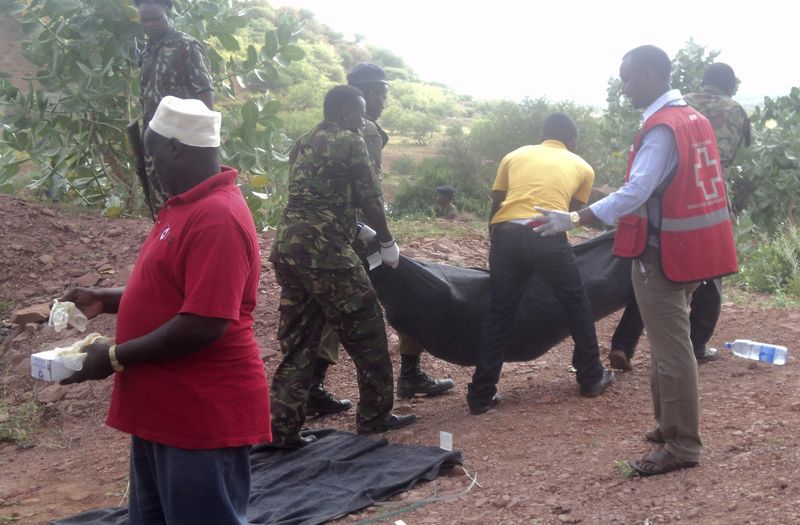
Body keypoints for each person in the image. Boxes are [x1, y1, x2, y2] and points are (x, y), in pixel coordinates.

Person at [60, 96, 270, 523]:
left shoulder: (217, 217)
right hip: (164, 407)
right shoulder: (185, 206)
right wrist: (108, 300)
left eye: (154, 155)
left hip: (200, 415)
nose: (152, 167)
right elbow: (174, 288)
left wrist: (115, 357)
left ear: (176, 148)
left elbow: (205, 323)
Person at [534, 45, 738, 476]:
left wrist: (574, 217)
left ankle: (682, 444)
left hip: (663, 254)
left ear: (649, 75)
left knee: (671, 349)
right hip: (695, 250)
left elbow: (636, 192)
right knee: (671, 342)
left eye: (628, 78)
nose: (624, 87)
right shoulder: (692, 119)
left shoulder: (663, 128)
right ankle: (668, 426)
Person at [269, 85, 417, 446]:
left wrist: (355, 228)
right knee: (367, 330)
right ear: (348, 113)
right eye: (361, 112)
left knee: (299, 339)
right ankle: (374, 417)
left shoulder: (303, 141)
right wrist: (385, 240)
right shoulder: (352, 141)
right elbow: (370, 198)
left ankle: (282, 429)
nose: (364, 119)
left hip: (288, 248)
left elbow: (314, 195)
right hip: (326, 252)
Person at [306, 63, 454, 417]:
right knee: (402, 296)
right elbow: (366, 191)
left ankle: (311, 387)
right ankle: (408, 376)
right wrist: (382, 240)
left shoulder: (319, 133)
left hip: (327, 235)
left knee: (325, 310)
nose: (384, 103)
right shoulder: (365, 131)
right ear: (371, 94)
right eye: (383, 96)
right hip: (357, 236)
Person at [466, 112, 615, 415]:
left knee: (500, 312)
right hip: (545, 235)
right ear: (571, 140)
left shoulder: (515, 155)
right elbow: (567, 216)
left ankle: (481, 393)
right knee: (576, 302)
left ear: (543, 134)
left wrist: (496, 236)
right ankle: (591, 376)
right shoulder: (583, 167)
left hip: (506, 233)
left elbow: (498, 201)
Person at [608, 62, 752, 372]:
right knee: (709, 270)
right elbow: (732, 153)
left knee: (657, 270)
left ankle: (623, 343)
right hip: (708, 192)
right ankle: (696, 345)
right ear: (730, 86)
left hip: (666, 191)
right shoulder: (736, 109)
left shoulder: (681, 103)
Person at [136, 0, 214, 213]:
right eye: (145, 20)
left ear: (168, 15)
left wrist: (205, 140)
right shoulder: (146, 51)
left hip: (181, 139)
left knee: (186, 193)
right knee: (157, 192)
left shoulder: (187, 45)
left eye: (155, 19)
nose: (149, 24)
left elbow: (205, 91)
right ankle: (165, 237)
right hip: (154, 134)